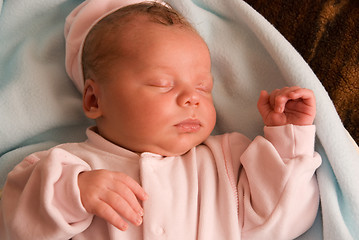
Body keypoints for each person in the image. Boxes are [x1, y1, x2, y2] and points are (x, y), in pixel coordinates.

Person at [0, 0, 321, 239]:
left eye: (203, 87)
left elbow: (285, 218)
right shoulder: (67, 168)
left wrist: (288, 138)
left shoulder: (226, 160)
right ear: (94, 99)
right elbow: (14, 224)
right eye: (162, 84)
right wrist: (75, 192)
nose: (192, 98)